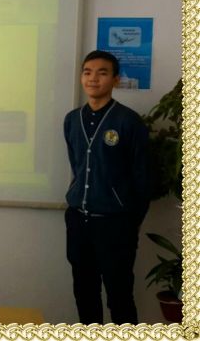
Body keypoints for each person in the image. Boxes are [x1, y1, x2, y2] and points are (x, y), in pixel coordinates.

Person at [63, 50, 149, 324]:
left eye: (102, 73)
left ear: (115, 80)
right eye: (87, 72)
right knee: (84, 291)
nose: (93, 78)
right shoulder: (72, 119)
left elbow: (142, 177)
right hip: (79, 221)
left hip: (115, 224)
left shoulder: (128, 121)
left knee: (119, 295)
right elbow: (77, 164)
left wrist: (130, 221)